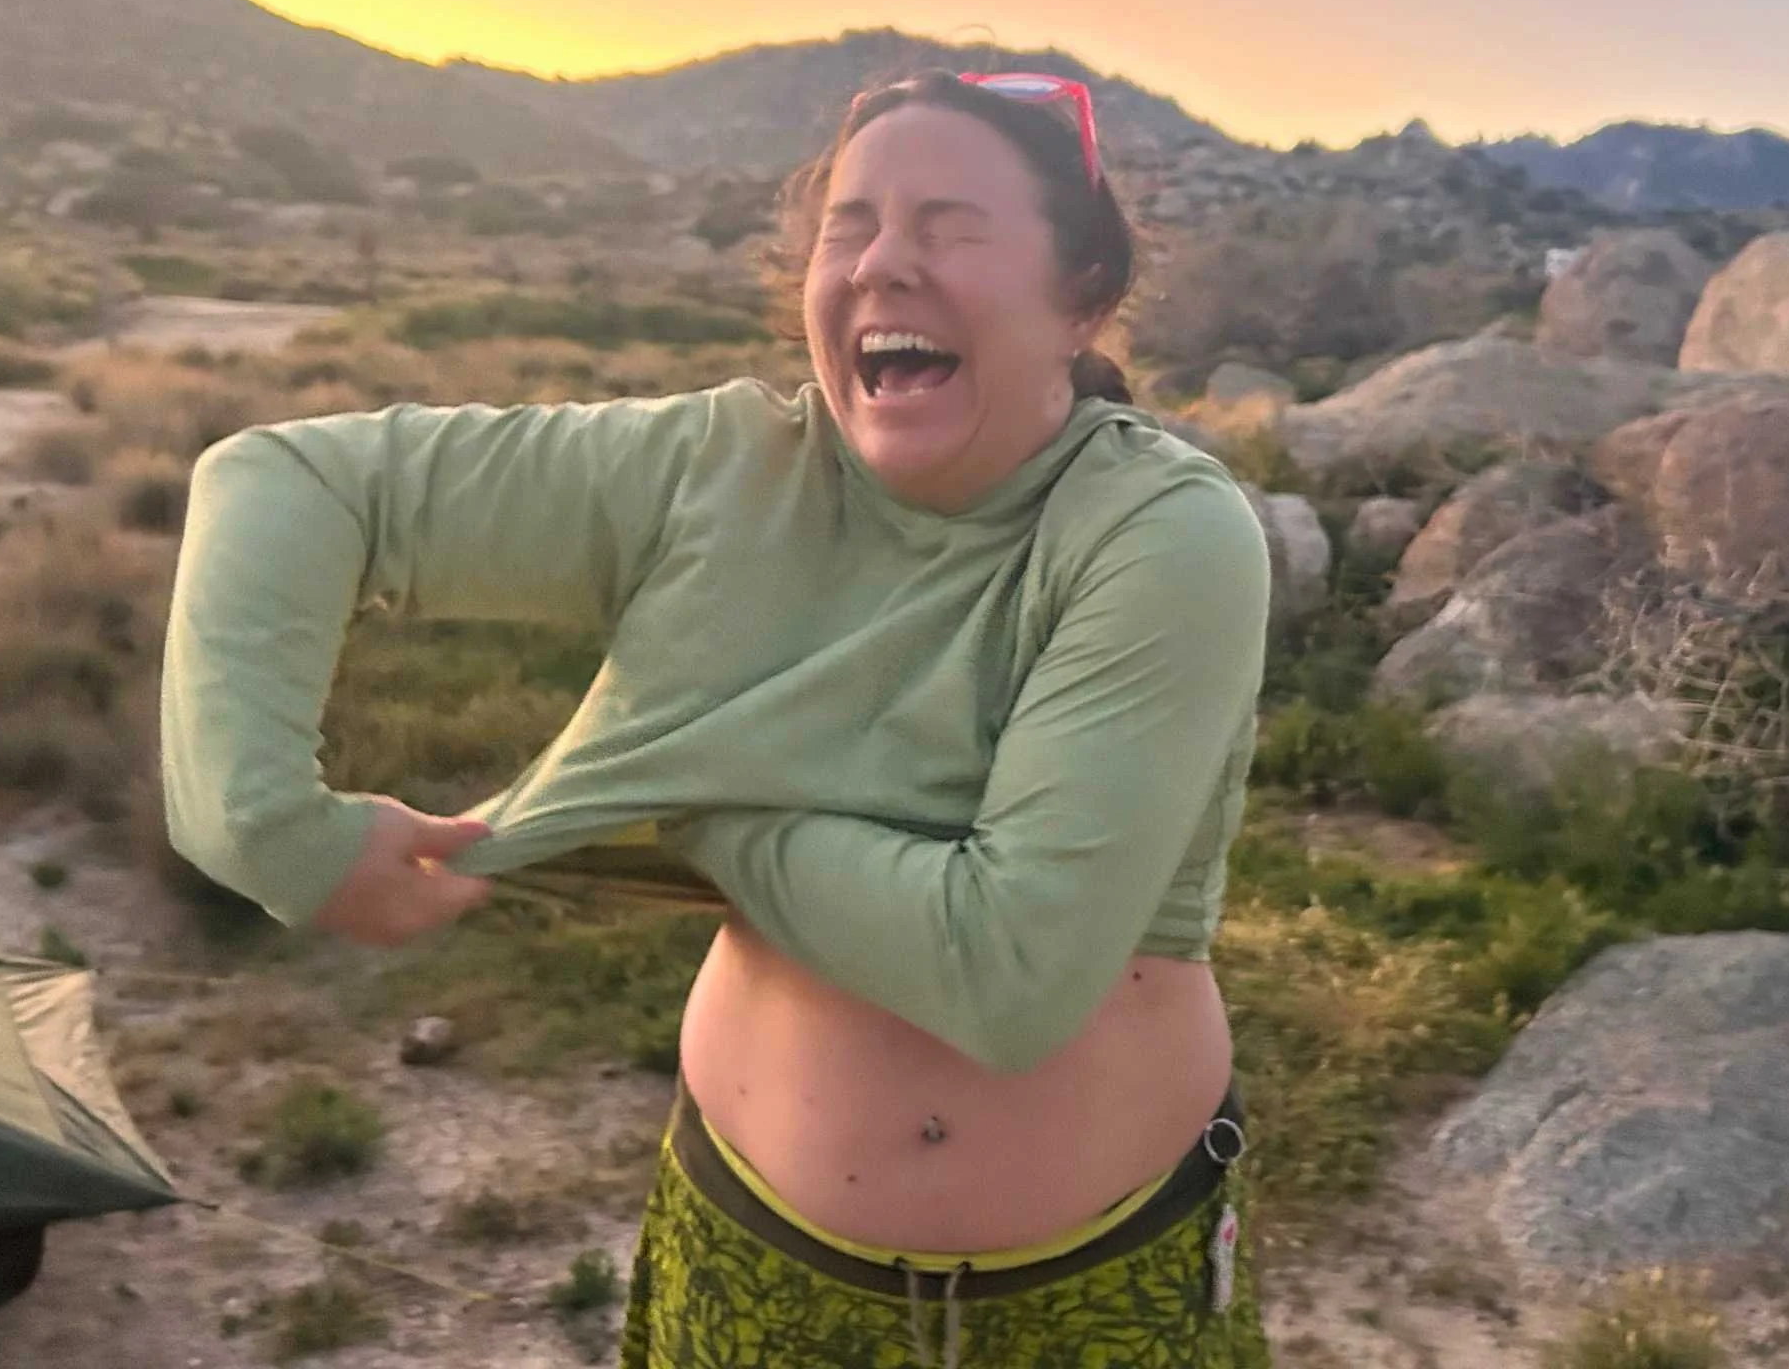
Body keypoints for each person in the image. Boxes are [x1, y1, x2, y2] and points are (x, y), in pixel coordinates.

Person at [159, 69, 1278, 1367]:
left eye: (952, 225)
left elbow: (1009, 969)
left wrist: (682, 811)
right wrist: (259, 820)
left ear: (1082, 294)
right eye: (849, 228)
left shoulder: (1156, 531)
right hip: (745, 1263)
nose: (883, 266)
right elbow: (285, 483)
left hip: (1084, 1308)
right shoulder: (718, 470)